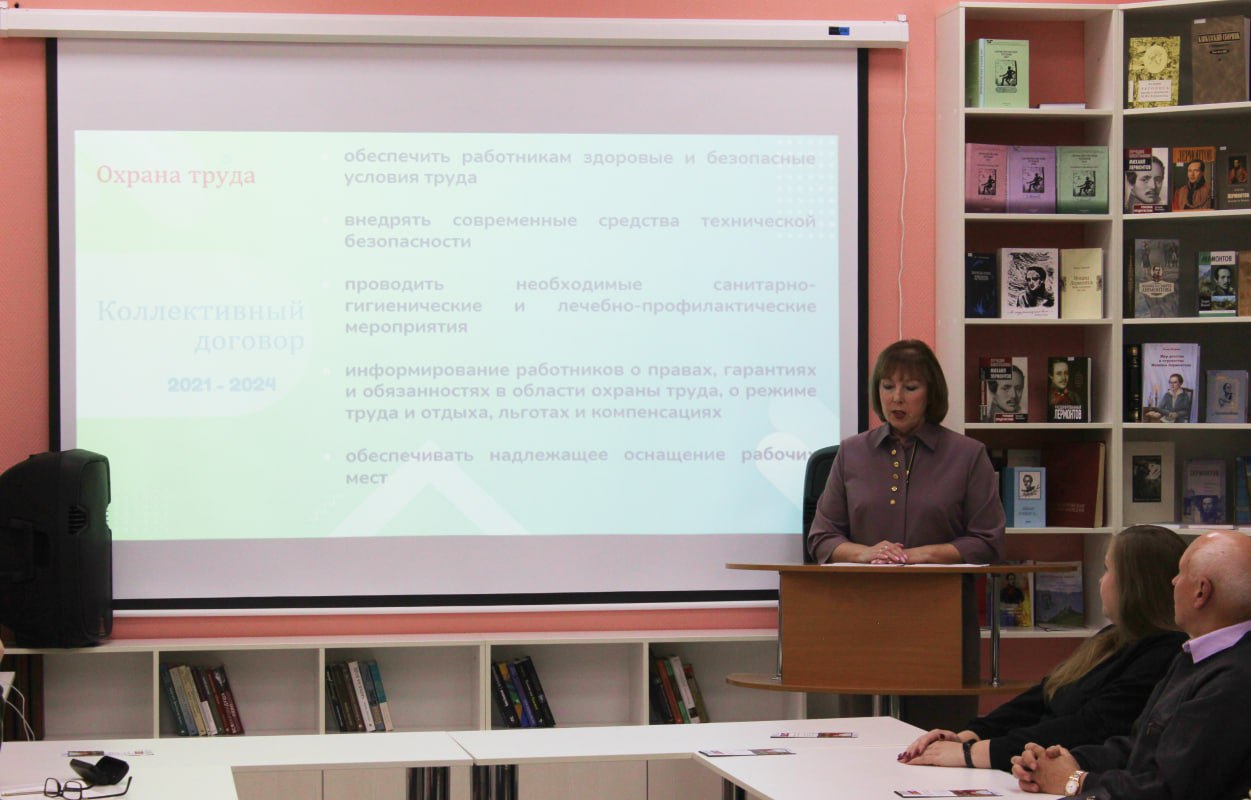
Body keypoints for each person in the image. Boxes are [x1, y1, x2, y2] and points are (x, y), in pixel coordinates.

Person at [806, 339, 1005, 729]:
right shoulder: (851, 453)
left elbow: (988, 540)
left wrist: (922, 555)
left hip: (940, 620)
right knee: (864, 738)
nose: (896, 398)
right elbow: (821, 537)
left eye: (910, 387)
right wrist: (865, 553)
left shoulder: (968, 455)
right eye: (887, 386)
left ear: (931, 393)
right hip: (863, 617)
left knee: (938, 737)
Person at [899, 525, 1187, 773]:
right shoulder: (1113, 638)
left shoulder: (1163, 654)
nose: (1101, 580)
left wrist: (976, 753)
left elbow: (1089, 727)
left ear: (1135, 584)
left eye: (1108, 569)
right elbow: (1042, 696)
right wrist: (967, 735)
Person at [1010, 531, 1251, 799]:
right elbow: (1139, 748)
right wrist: (1065, 761)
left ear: (1201, 591)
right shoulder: (1196, 656)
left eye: (1181, 573)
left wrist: (1076, 781)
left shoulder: (1233, 680)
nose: (1173, 582)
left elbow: (1171, 790)